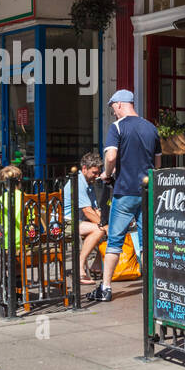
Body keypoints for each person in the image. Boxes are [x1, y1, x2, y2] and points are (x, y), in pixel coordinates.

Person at [89, 89, 161, 303]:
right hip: (147, 192)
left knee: (115, 241)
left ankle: (106, 287)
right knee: (145, 241)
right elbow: (157, 165)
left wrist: (107, 174)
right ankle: (151, 287)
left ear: (119, 104)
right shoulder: (151, 128)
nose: (114, 113)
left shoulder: (117, 127)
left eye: (113, 108)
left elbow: (111, 156)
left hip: (125, 191)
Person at [64, 151, 106, 284]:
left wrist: (106, 223)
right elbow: (88, 211)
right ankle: (79, 267)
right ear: (84, 169)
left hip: (81, 221)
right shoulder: (78, 182)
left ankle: (96, 266)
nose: (97, 175)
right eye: (94, 172)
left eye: (98, 172)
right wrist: (104, 226)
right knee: (100, 229)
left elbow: (94, 210)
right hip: (66, 222)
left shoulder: (89, 182)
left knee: (107, 229)